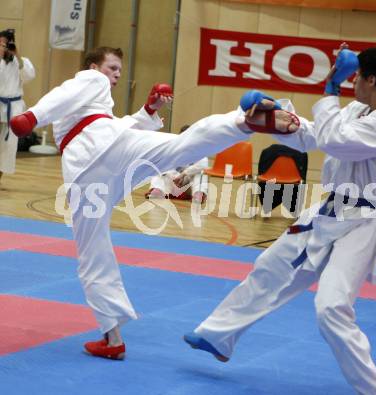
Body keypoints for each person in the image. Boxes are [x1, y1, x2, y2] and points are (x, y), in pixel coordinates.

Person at [10, 46, 296, 360]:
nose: (116, 75)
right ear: (93, 65)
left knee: (93, 252)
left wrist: (148, 110)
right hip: (103, 152)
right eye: (112, 67)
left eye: (119, 70)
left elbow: (111, 124)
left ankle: (112, 337)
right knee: (183, 147)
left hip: (87, 171)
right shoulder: (91, 79)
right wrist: (32, 117)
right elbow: (65, 94)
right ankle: (245, 121)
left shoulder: (96, 106)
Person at [183, 46, 376, 395]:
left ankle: (373, 391)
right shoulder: (358, 108)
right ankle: (218, 335)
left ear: (371, 79)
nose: (350, 83)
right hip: (330, 210)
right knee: (271, 265)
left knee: (332, 307)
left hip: (367, 221)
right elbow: (317, 135)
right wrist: (280, 115)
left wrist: (329, 90)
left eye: (355, 77)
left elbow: (337, 140)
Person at [0, 29, 35, 184]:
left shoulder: (21, 61)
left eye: (4, 44)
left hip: (13, 107)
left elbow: (28, 76)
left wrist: (17, 55)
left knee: (8, 145)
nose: (2, 47)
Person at [146, 125, 208, 204]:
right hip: (172, 183)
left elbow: (203, 165)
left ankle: (198, 194)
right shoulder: (172, 147)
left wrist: (183, 174)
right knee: (160, 169)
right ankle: (158, 191)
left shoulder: (199, 149)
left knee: (201, 174)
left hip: (188, 186)